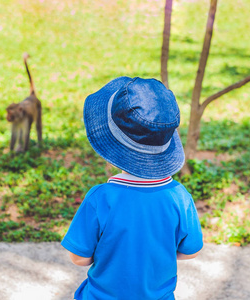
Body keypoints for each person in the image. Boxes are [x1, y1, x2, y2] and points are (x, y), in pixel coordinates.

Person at [61, 77, 203, 299]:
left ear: (111, 149)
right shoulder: (179, 197)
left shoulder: (101, 198)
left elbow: (79, 258)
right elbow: (190, 251)